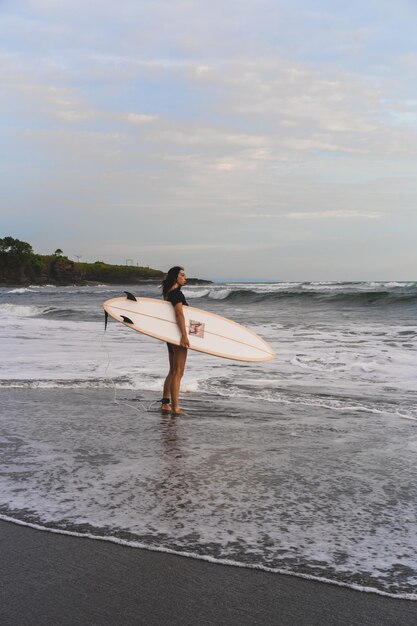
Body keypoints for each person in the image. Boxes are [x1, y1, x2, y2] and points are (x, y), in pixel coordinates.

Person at [161, 266, 190, 415]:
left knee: (172, 371)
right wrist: (184, 335)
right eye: (183, 275)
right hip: (178, 336)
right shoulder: (177, 294)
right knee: (179, 372)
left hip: (170, 336)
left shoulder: (168, 294)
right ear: (175, 278)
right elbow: (179, 315)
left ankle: (165, 404)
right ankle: (175, 407)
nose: (185, 278)